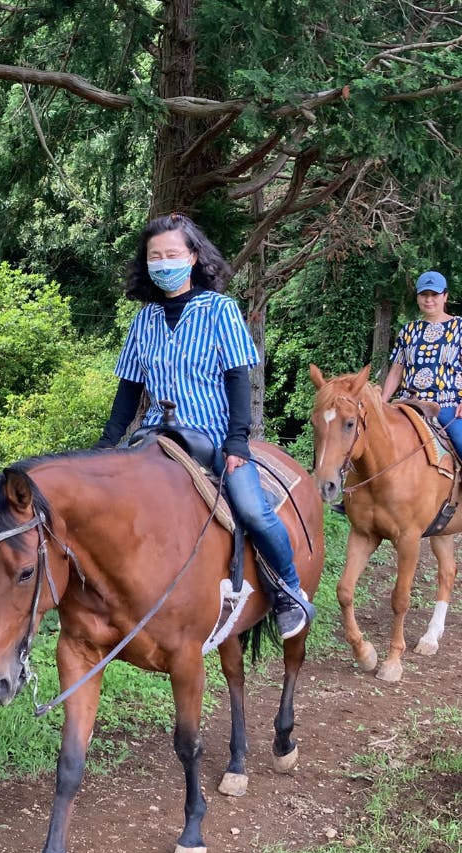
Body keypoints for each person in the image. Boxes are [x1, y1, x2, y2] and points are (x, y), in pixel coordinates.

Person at [94, 213, 315, 639]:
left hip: (213, 438)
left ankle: (289, 591)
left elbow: (237, 377)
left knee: (252, 508)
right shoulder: (144, 320)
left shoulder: (220, 310)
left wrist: (237, 441)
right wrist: (107, 444)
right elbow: (128, 390)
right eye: (155, 256)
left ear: (193, 257)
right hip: (154, 437)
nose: (163, 262)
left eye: (172, 254)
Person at [380, 269, 462, 526]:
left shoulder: (461, 328)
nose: (428, 300)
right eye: (424, 295)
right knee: (370, 435)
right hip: (408, 403)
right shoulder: (408, 330)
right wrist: (382, 402)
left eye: (434, 294)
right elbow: (396, 371)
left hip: (446, 404)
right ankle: (357, 496)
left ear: (445, 296)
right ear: (418, 298)